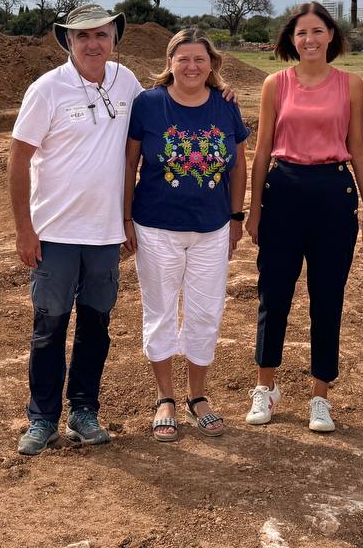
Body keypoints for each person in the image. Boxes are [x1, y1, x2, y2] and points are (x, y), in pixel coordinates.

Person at [8, 4, 141, 456]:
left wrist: (216, 91)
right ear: (67, 40)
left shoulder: (128, 84)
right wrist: (25, 230)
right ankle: (42, 418)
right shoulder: (47, 89)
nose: (92, 43)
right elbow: (19, 158)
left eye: (100, 34)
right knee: (49, 326)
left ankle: (83, 411)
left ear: (114, 38)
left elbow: (156, 125)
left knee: (96, 327)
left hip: (104, 236)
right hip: (55, 233)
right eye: (81, 36)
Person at [244, 1, 363, 433]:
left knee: (327, 299)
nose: (310, 40)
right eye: (301, 33)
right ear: (290, 40)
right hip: (283, 192)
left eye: (318, 31)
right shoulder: (275, 84)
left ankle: (320, 397)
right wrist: (255, 208)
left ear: (332, 37)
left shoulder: (351, 84)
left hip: (333, 195)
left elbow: (358, 146)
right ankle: (265, 387)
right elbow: (262, 149)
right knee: (274, 294)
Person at [123, 27, 248, 442]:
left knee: (205, 313)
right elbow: (129, 165)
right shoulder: (148, 104)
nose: (192, 66)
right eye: (183, 59)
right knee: (159, 311)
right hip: (156, 226)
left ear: (211, 64)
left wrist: (235, 217)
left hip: (212, 229)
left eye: (200, 59)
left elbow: (238, 167)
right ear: (170, 62)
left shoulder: (225, 106)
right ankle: (165, 398)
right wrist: (124, 218)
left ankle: (198, 396)